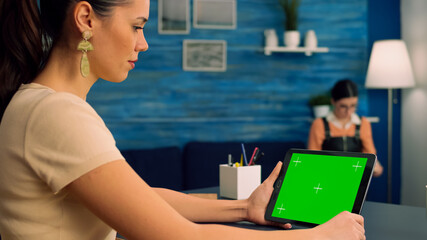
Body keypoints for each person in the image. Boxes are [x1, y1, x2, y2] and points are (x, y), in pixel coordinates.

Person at [0, 1, 366, 239]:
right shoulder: (57, 115)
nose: (143, 43)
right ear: (86, 19)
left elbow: (140, 199)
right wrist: (318, 236)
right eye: (137, 26)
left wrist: (244, 207)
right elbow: (174, 234)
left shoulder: (43, 105)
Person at [307, 79, 383, 177]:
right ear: (333, 102)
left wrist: (375, 167)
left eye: (353, 106)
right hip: (326, 179)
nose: (349, 112)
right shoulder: (319, 124)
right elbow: (312, 160)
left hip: (355, 180)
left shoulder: (363, 123)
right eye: (343, 106)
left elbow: (370, 155)